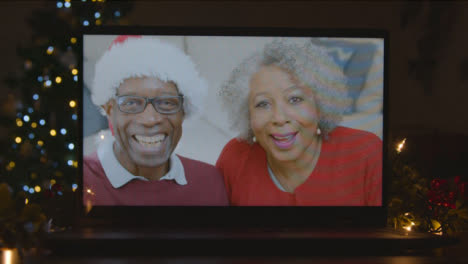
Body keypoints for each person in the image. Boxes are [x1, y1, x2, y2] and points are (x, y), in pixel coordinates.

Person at [216, 39, 382, 206]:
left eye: (295, 99)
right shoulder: (235, 158)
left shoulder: (366, 153)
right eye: (263, 104)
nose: (279, 118)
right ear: (248, 114)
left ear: (319, 104)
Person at [83, 35, 228, 206]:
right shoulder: (84, 180)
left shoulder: (208, 181)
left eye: (166, 102)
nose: (151, 119)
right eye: (131, 103)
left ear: (184, 110)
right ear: (109, 110)